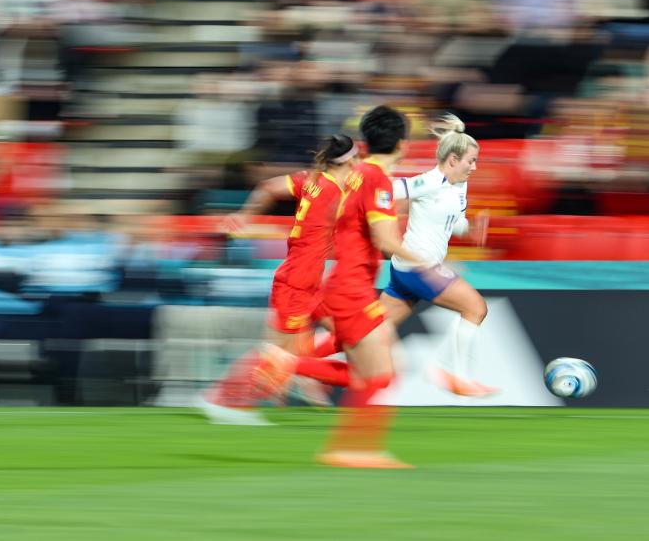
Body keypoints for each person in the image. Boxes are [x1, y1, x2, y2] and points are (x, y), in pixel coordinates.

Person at [260, 105, 427, 468]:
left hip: (341, 283)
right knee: (384, 372)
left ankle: (291, 367)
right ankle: (356, 449)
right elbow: (385, 240)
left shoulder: (355, 175)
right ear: (403, 143)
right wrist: (425, 262)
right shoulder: (376, 179)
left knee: (366, 374)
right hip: (352, 288)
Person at [199, 135, 358, 426]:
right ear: (348, 161)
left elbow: (267, 187)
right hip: (299, 282)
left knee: (347, 333)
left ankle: (301, 375)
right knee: (275, 352)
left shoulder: (311, 179)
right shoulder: (335, 192)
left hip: (305, 279)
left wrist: (245, 216)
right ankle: (223, 398)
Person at [381, 114, 494, 397]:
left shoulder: (460, 184)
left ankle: (299, 362)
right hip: (418, 267)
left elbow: (454, 222)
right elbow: (386, 192)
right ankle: (454, 374)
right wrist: (377, 220)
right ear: (453, 160)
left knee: (373, 330)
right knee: (476, 308)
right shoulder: (429, 182)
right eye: (471, 161)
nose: (475, 167)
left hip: (407, 271)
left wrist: (470, 228)